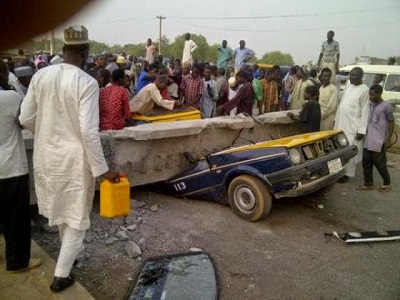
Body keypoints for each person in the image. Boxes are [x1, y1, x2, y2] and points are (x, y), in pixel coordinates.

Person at [19, 25, 118, 293]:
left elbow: (25, 118)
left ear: (63, 50)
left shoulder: (41, 75)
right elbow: (88, 131)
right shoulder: (86, 82)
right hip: (74, 160)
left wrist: (48, 134)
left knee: (63, 212)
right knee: (76, 217)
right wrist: (103, 170)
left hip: (46, 157)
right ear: (85, 52)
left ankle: (68, 258)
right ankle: (61, 275)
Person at [0, 59, 42, 273]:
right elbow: (25, 121)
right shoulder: (10, 97)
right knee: (15, 218)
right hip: (10, 168)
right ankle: (17, 262)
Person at [334, 67, 370, 183]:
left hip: (353, 126)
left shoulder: (365, 90)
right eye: (350, 75)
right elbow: (342, 104)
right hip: (341, 123)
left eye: (354, 76)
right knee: (338, 147)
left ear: (361, 77)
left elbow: (365, 111)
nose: (351, 77)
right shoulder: (349, 86)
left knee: (349, 149)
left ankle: (346, 174)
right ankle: (337, 171)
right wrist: (336, 120)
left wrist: (361, 130)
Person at [356, 84, 394, 192]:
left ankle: (387, 183)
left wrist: (388, 140)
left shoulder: (386, 106)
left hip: (379, 139)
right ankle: (368, 184)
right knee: (366, 161)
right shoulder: (371, 105)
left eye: (372, 95)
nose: (370, 97)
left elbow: (391, 122)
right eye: (369, 94)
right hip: (368, 138)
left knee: (380, 163)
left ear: (379, 93)